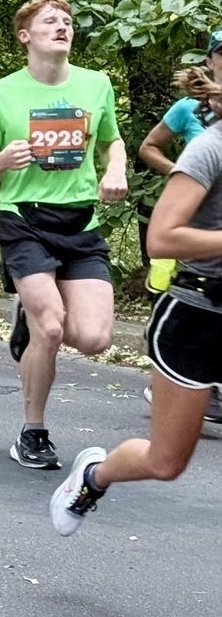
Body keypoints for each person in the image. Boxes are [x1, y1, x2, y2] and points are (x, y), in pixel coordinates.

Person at [0, 0, 126, 471]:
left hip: (81, 222)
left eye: (67, 21)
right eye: (50, 21)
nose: (62, 26)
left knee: (95, 338)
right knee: (53, 328)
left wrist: (114, 170)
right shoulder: (0, 93)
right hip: (25, 218)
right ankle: (33, 431)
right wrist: (1, 160)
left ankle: (29, 320)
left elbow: (113, 140)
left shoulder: (96, 85)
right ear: (26, 36)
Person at [50, 113, 222, 535]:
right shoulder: (210, 149)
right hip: (198, 314)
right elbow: (162, 238)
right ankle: (94, 477)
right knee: (165, 462)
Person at [139, 43, 222, 296]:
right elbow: (148, 147)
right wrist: (184, 174)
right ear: (209, 60)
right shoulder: (188, 109)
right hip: (187, 208)